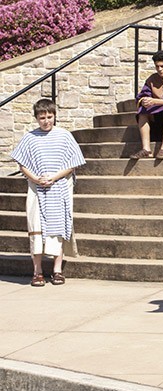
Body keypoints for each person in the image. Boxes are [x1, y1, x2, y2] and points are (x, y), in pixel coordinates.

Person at [10, 99, 86, 286]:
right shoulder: (30, 138)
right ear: (36, 118)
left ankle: (57, 270)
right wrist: (35, 178)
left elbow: (72, 163)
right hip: (36, 188)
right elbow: (22, 164)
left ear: (55, 116)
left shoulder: (64, 136)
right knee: (36, 227)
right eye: (42, 117)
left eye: (49, 117)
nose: (46, 121)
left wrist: (55, 177)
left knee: (57, 227)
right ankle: (37, 272)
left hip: (59, 187)